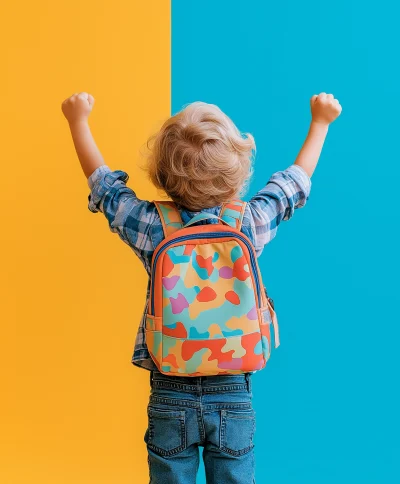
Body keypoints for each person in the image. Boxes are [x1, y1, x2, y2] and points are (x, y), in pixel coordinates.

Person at [61, 92, 341, 483]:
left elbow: (106, 191)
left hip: (169, 391)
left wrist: (78, 122)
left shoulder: (154, 228)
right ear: (237, 170)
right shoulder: (248, 224)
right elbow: (292, 185)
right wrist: (320, 123)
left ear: (161, 172)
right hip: (233, 392)